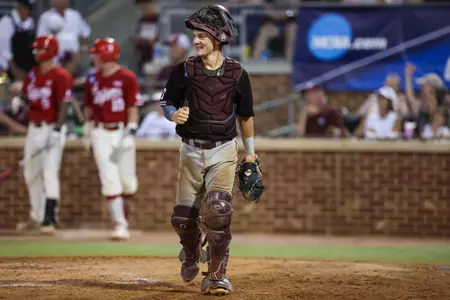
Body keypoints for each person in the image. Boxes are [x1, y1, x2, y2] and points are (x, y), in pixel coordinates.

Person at [160, 4, 258, 296]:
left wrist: (250, 153)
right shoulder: (184, 71)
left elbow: (246, 116)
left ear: (219, 37)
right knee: (181, 219)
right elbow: (167, 103)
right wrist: (173, 115)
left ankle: (217, 276)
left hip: (224, 150)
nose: (196, 40)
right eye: (195, 35)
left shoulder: (238, 73)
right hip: (190, 150)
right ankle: (191, 251)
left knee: (219, 209)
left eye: (202, 35)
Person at [83, 38, 141, 241]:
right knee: (110, 179)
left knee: (128, 183)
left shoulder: (127, 77)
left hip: (122, 131)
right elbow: (89, 108)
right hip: (100, 132)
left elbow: (133, 106)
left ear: (105, 54)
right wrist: (87, 130)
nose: (94, 58)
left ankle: (122, 217)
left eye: (97, 54)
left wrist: (131, 129)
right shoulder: (92, 79)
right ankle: (120, 224)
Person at [16, 35, 73, 234]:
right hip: (34, 128)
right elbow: (27, 96)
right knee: (30, 173)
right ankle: (36, 215)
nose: (36, 53)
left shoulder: (61, 75)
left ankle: (49, 218)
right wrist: (20, 101)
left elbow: (63, 105)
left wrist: (57, 130)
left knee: (49, 173)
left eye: (39, 49)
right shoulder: (33, 74)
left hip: (52, 128)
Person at [0, 0, 36, 82]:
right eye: (27, 9)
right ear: (20, 8)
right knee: (3, 86)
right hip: (7, 69)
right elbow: (4, 51)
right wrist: (15, 70)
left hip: (26, 69)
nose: (29, 13)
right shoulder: (6, 22)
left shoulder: (30, 22)